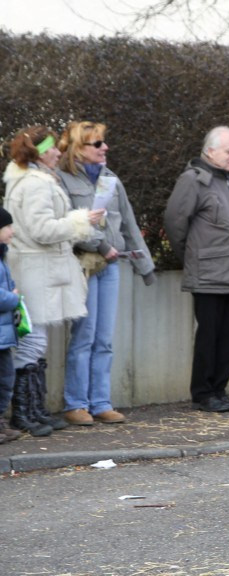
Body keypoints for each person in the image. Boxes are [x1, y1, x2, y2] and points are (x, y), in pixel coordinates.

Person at [3, 126, 103, 437]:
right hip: (36, 270)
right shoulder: (34, 183)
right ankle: (25, 413)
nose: (58, 153)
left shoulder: (33, 179)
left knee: (35, 342)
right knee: (32, 342)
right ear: (39, 153)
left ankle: (34, 410)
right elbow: (42, 229)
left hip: (38, 269)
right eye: (52, 149)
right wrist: (80, 221)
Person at [57, 121, 156, 426]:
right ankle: (76, 404)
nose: (105, 148)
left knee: (104, 338)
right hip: (82, 265)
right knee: (83, 336)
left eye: (103, 143)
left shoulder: (110, 179)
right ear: (79, 148)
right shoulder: (61, 180)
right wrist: (100, 245)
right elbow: (65, 224)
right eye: (97, 144)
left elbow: (128, 222)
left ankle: (101, 402)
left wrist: (146, 266)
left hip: (111, 266)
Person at [164, 126, 229, 414]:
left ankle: (219, 390)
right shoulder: (193, 181)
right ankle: (203, 393)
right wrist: (194, 258)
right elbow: (176, 224)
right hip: (208, 274)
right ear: (210, 151)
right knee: (209, 335)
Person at [0, 208, 25, 444]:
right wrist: (14, 298)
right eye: (7, 226)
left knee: (6, 378)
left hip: (4, 335)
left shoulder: (2, 256)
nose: (12, 231)